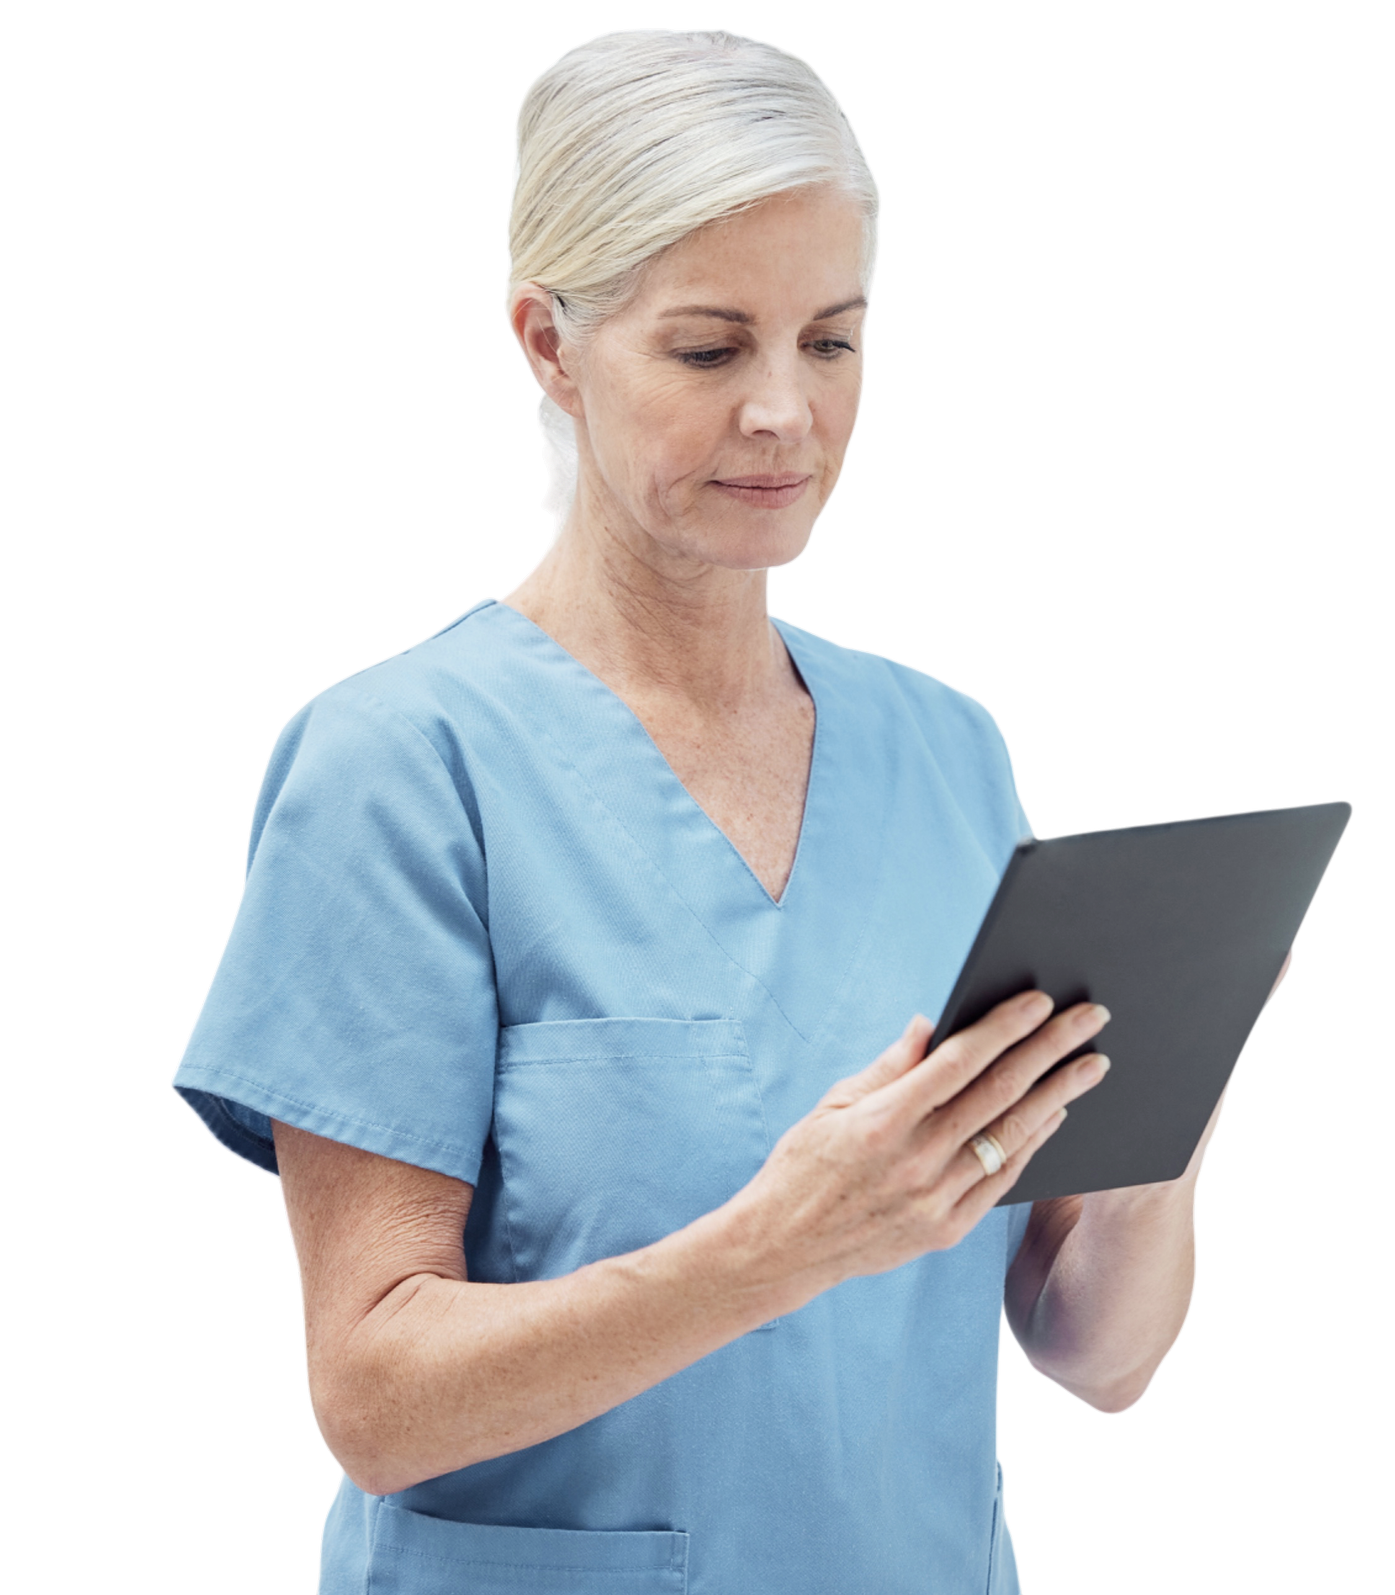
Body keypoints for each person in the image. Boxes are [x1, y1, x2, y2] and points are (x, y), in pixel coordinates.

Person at [170, 30, 1116, 1593]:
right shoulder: (399, 767)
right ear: (548, 340)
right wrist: (781, 1242)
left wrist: (1185, 1064)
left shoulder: (952, 756)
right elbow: (378, 1399)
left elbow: (1092, 1345)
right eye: (707, 348)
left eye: (833, 339)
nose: (787, 415)